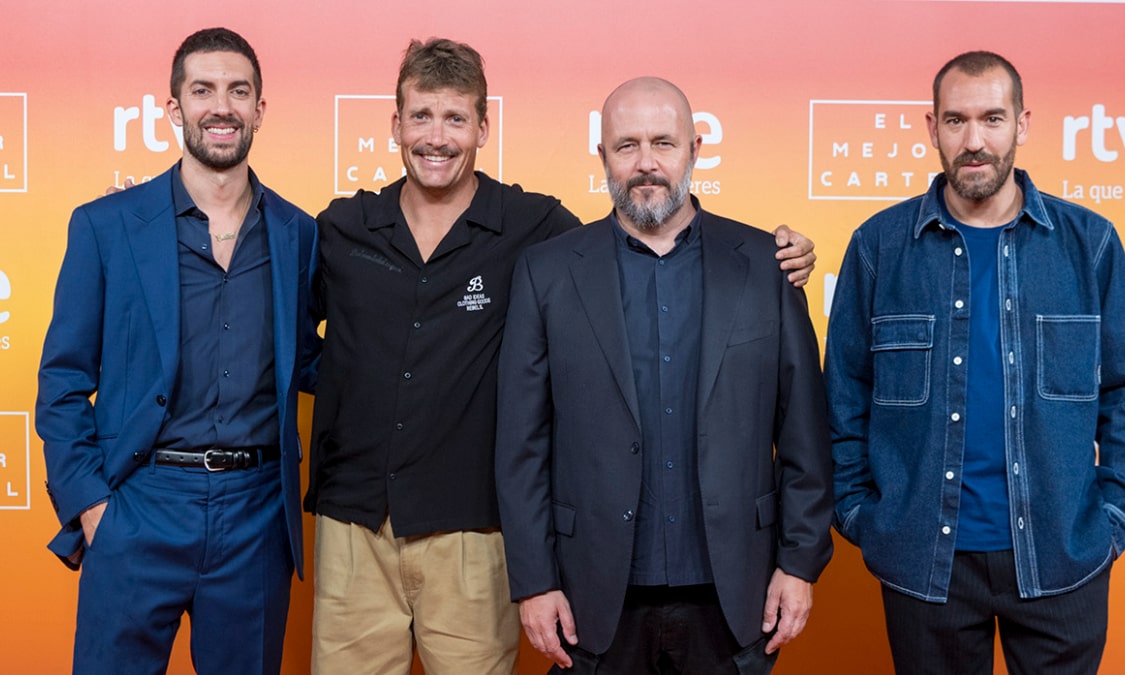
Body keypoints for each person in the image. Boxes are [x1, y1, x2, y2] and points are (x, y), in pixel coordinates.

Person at [306, 41, 818, 674]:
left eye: (456, 118)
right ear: (395, 125)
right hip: (375, 530)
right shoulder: (344, 228)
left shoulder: (543, 233)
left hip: (499, 537)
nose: (646, 163)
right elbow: (294, 343)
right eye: (420, 117)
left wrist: (789, 252)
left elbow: (802, 431)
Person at [824, 51, 1125, 675]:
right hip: (923, 562)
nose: (974, 141)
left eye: (992, 119)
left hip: (1063, 556)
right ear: (931, 128)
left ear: (1022, 124)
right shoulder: (878, 247)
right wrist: (862, 516)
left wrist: (1110, 520)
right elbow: (845, 398)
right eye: (955, 121)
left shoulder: (1090, 243)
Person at [494, 76, 834, 675]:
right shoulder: (546, 273)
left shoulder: (765, 264)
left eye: (663, 143)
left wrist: (800, 563)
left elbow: (805, 434)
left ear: (696, 149)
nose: (645, 163)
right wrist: (533, 581)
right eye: (626, 146)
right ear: (602, 156)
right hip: (591, 597)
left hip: (737, 596)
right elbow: (520, 445)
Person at [37, 27, 319, 674]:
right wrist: (92, 508)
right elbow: (62, 380)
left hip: (255, 517)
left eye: (238, 91)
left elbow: (308, 359)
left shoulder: (299, 235)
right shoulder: (104, 227)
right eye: (203, 90)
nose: (222, 106)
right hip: (137, 505)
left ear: (259, 110)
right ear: (174, 110)